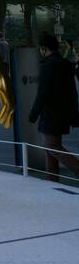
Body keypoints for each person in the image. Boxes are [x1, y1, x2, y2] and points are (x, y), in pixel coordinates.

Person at [29, 31, 79, 182]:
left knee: (52, 147)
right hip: (64, 111)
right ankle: (51, 180)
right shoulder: (64, 64)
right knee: (50, 147)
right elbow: (72, 91)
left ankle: (75, 170)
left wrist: (33, 114)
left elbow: (42, 93)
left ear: (44, 48)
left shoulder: (48, 66)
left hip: (51, 112)